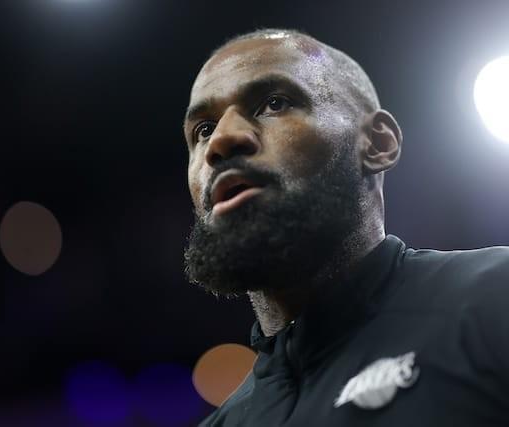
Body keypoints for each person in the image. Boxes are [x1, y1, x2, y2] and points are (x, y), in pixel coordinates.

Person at [182, 28, 509, 426]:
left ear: (377, 143)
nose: (221, 140)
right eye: (203, 130)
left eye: (274, 103)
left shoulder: (495, 296)